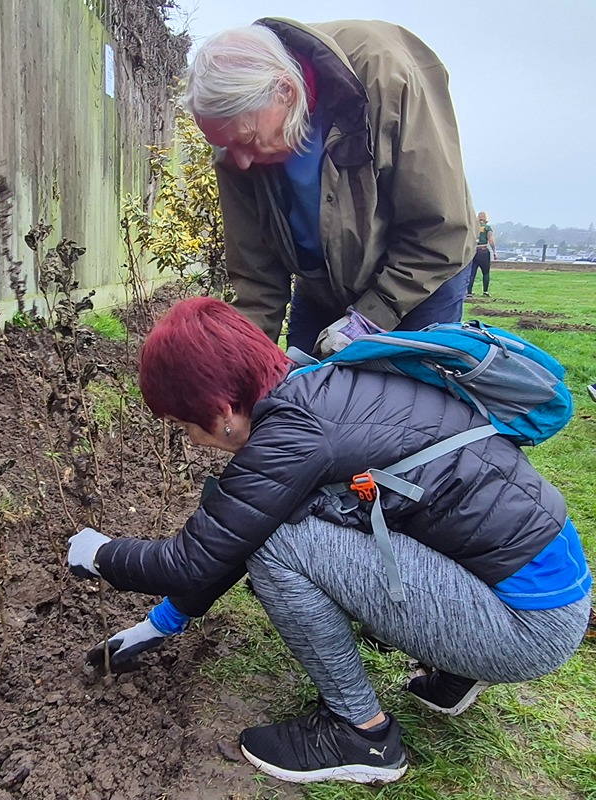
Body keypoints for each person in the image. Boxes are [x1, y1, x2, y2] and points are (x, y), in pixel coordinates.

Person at [67, 297, 592, 786]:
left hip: (526, 627)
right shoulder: (318, 384)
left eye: (187, 426)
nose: (193, 441)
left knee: (280, 544)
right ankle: (456, 668)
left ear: (224, 410)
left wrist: (96, 552)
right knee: (287, 529)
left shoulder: (295, 433)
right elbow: (228, 539)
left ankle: (360, 734)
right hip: (543, 591)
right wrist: (161, 624)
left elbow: (195, 558)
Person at [183, 20, 477, 355]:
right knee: (301, 396)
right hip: (323, 284)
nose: (242, 162)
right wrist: (237, 368)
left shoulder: (386, 77)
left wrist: (370, 318)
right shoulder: (237, 142)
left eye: (247, 142)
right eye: (225, 147)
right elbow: (256, 282)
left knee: (407, 402)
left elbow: (439, 232)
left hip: (419, 281)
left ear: (286, 92)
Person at [467, 211, 498, 297]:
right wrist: (494, 251)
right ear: (485, 219)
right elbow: (491, 240)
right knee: (486, 272)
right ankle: (485, 291)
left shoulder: (473, 227)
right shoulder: (487, 228)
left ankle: (469, 292)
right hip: (483, 250)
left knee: (472, 272)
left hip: (474, 251)